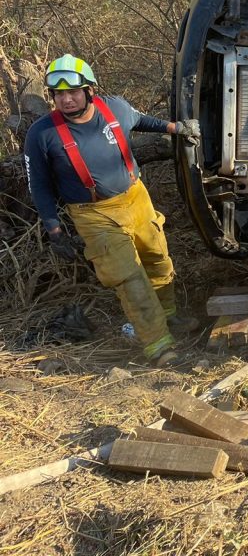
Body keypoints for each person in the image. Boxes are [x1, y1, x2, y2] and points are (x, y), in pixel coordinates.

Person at [23, 54, 201, 364]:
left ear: (89, 90)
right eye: (59, 94)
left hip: (136, 198)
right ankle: (158, 344)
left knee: (158, 260)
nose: (66, 99)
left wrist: (177, 127)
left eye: (73, 92)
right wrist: (54, 229)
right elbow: (38, 185)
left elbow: (141, 120)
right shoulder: (42, 134)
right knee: (129, 278)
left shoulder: (114, 107)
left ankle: (168, 315)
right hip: (93, 215)